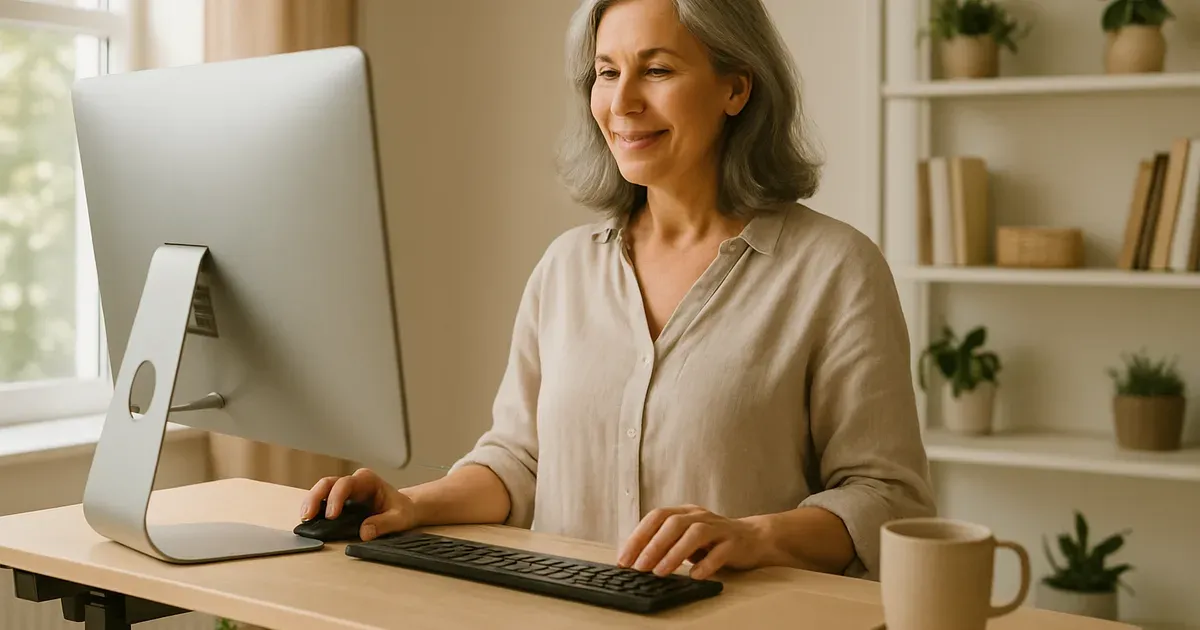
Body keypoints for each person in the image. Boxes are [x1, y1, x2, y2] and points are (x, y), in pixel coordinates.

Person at [301, 0, 935, 582]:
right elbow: (519, 461)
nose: (622, 102)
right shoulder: (565, 268)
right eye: (606, 73)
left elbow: (887, 499)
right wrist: (410, 503)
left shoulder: (834, 269)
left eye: (656, 71)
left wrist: (753, 536)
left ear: (736, 88)